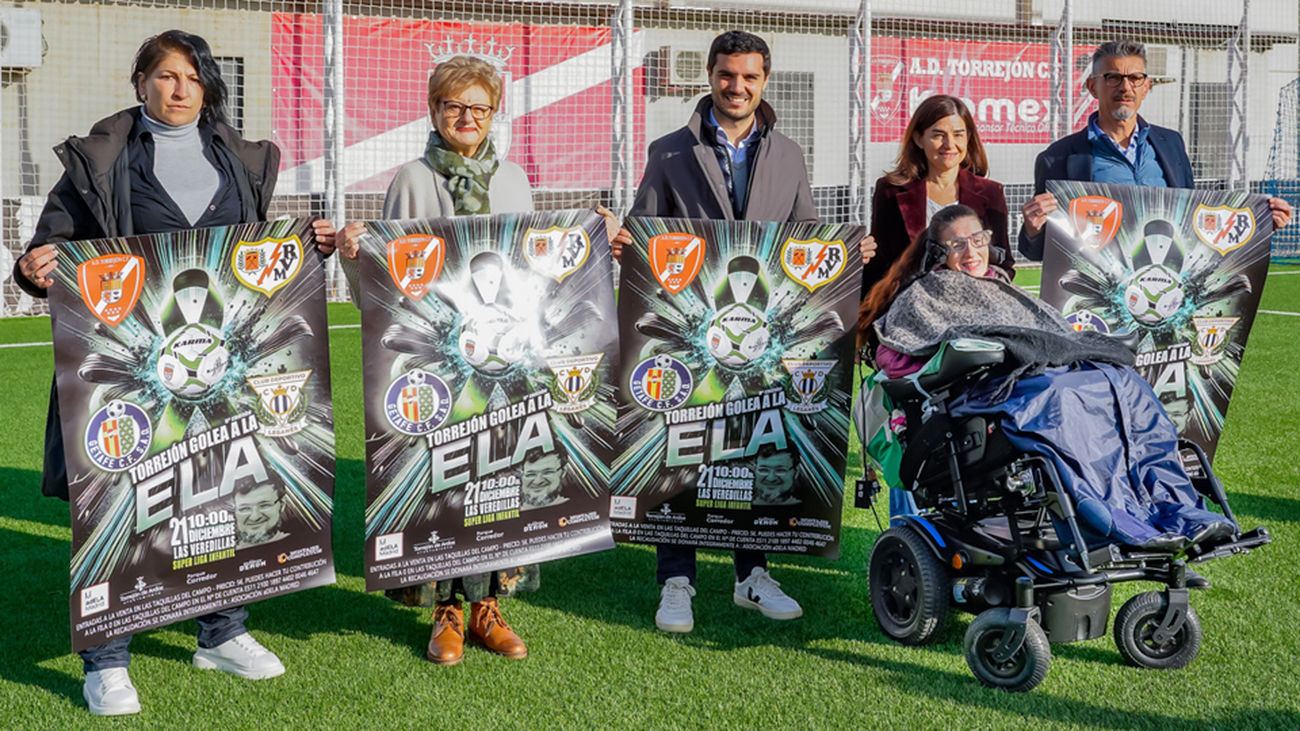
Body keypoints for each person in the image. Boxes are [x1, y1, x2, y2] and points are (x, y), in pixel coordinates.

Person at [11, 30, 340, 717]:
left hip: (223, 372)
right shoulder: (103, 162)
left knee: (222, 493)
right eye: (164, 75)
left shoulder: (241, 160)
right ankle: (106, 657)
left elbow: (253, 256)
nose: (179, 87)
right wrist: (32, 268)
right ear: (140, 84)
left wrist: (311, 244)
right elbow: (52, 249)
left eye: (191, 76)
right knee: (117, 505)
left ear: (207, 86)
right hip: (124, 377)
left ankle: (222, 632)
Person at [336, 54, 621, 666]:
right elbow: (388, 291)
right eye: (452, 106)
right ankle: (445, 611)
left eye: (478, 107)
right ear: (434, 110)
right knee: (444, 477)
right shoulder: (411, 180)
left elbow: (538, 271)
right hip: (438, 365)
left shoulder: (515, 179)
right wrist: (354, 256)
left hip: (510, 361)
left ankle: (489, 606)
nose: (465, 118)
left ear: (495, 114)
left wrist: (590, 241)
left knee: (501, 479)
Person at [856, 206, 1223, 588]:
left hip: (1032, 376)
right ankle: (1112, 517)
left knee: (1124, 383)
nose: (971, 252)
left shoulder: (999, 284)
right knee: (1061, 395)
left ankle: (1178, 508)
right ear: (938, 253)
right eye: (957, 245)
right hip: (988, 393)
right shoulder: (926, 296)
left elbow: (1050, 331)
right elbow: (895, 355)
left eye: (978, 240)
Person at [612, 30, 816, 635]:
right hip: (689, 331)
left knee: (754, 447)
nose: (737, 87)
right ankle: (677, 580)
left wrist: (846, 254)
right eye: (728, 75)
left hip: (761, 334)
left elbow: (803, 240)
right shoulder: (669, 151)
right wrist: (626, 241)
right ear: (709, 75)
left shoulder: (789, 154)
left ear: (764, 82)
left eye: (750, 77)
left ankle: (752, 575)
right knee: (686, 447)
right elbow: (642, 234)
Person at [1018, 39, 1292, 261]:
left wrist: (1260, 223)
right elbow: (1036, 251)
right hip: (1103, 301)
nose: (1125, 87)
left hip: (1167, 287)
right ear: (1092, 86)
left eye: (1135, 78)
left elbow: (1193, 221)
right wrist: (1032, 228)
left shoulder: (1171, 144)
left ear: (1146, 87)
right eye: (1113, 77)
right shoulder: (1058, 157)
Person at [858, 94, 1012, 285]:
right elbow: (880, 263)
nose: (949, 145)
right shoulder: (890, 190)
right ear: (918, 139)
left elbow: (1004, 264)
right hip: (910, 305)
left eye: (958, 134)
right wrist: (860, 256)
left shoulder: (991, 192)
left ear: (968, 138)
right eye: (938, 135)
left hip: (972, 304)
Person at [234, 480, 290, 549]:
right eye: (244, 509)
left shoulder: (298, 543)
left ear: (282, 504)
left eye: (264, 505)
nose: (255, 517)